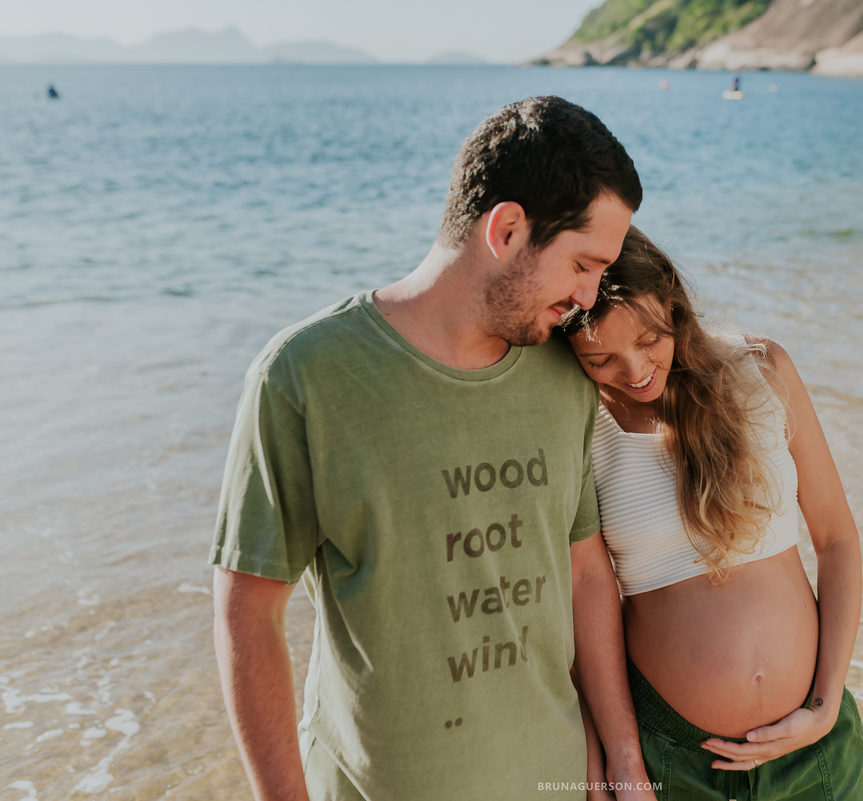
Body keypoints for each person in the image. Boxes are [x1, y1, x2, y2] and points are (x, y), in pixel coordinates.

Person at [210, 96, 658, 801]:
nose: (590, 294)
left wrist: (623, 756)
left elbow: (585, 574)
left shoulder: (560, 373)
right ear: (507, 229)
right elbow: (248, 612)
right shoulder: (304, 376)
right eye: (582, 263)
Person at [560, 227, 863, 801]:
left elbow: (837, 541)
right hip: (676, 761)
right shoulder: (578, 426)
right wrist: (607, 755)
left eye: (651, 339)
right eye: (600, 358)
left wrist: (825, 706)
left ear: (674, 306)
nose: (634, 371)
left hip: (814, 747)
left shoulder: (762, 370)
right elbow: (581, 591)